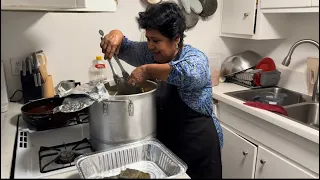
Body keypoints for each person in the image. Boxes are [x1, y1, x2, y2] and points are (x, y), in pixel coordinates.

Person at [100, 2, 223, 178]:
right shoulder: (152, 54)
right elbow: (125, 47)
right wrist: (116, 34)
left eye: (156, 40)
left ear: (176, 39)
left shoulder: (195, 58)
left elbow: (189, 74)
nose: (150, 45)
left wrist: (147, 70)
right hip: (168, 147)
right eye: (148, 39)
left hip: (198, 148)